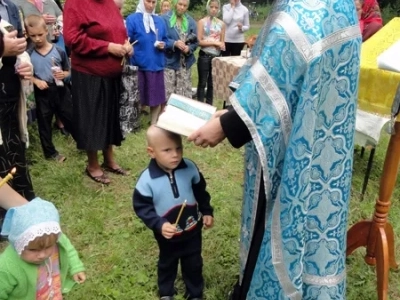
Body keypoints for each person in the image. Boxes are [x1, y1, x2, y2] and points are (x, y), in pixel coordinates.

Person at [188, 0, 361, 298]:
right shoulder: (341, 5)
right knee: (316, 220)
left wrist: (226, 125)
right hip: (326, 145)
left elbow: (275, 82)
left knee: (274, 212)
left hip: (291, 145)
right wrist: (229, 114)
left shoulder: (301, 7)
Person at [133, 125, 214, 300]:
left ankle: (195, 292)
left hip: (192, 229)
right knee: (167, 263)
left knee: (194, 263)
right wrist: (159, 224)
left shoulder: (190, 168)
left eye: (178, 148)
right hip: (167, 235)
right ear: (151, 152)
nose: (175, 154)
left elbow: (201, 192)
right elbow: (142, 208)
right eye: (167, 150)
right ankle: (166, 292)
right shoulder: (147, 181)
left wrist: (207, 211)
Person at [64, 0, 133, 185]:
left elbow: (119, 30)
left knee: (110, 118)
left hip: (112, 74)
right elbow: (72, 39)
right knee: (92, 120)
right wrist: (108, 47)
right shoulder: (75, 3)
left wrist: (126, 45)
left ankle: (109, 160)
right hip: (89, 73)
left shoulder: (109, 3)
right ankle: (93, 165)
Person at [0, 197, 86, 299]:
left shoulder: (52, 239)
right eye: (33, 250)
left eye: (49, 247)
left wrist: (76, 268)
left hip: (52, 291)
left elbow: (68, 249)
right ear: (19, 243)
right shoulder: (6, 266)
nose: (42, 255)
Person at [0, 18, 35, 236]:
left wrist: (24, 62)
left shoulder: (6, 14)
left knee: (13, 150)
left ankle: (24, 205)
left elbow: (20, 47)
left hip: (8, 100)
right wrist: (3, 48)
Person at [25, 15, 70, 162]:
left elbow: (68, 70)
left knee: (70, 116)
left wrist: (64, 74)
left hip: (60, 90)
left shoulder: (59, 51)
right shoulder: (28, 55)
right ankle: (50, 153)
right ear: (27, 35)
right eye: (33, 36)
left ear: (47, 31)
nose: (37, 39)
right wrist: (35, 80)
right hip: (42, 93)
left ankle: (83, 142)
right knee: (44, 123)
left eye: (40, 34)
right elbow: (25, 75)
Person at [127, 0, 168, 125]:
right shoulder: (132, 19)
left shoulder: (159, 21)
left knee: (156, 95)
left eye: (153, 2)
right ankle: (134, 121)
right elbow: (126, 39)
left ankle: (154, 121)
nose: (151, 5)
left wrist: (164, 44)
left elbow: (165, 38)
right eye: (148, 1)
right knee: (137, 95)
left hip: (156, 62)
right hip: (139, 62)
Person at [162, 0, 198, 100]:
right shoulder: (164, 19)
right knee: (169, 95)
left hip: (185, 63)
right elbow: (160, 39)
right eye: (180, 4)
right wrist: (174, 43)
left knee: (184, 96)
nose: (182, 7)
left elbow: (195, 42)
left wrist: (189, 48)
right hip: (170, 61)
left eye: (185, 6)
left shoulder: (191, 21)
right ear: (175, 4)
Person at [196, 0, 225, 105]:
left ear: (219, 9)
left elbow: (222, 42)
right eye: (211, 7)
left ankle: (209, 106)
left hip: (216, 57)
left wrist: (221, 45)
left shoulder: (221, 24)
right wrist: (213, 42)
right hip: (204, 56)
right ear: (208, 7)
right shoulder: (202, 22)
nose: (213, 9)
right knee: (202, 83)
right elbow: (199, 41)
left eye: (216, 8)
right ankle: (199, 105)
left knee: (212, 84)